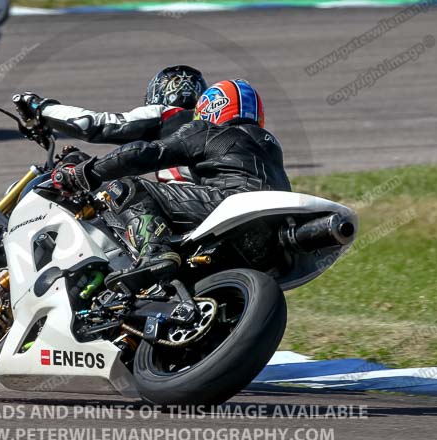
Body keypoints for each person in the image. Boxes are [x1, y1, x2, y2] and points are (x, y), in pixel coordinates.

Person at [50, 79, 292, 293]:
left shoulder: (206, 131)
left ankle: (154, 251)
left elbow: (145, 153)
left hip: (230, 203)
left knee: (126, 187)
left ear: (210, 108)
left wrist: (88, 171)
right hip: (272, 236)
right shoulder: (270, 144)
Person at [15, 65, 207, 182]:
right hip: (214, 198)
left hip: (185, 206)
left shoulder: (165, 114)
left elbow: (92, 124)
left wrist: (40, 107)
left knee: (121, 190)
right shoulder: (214, 121)